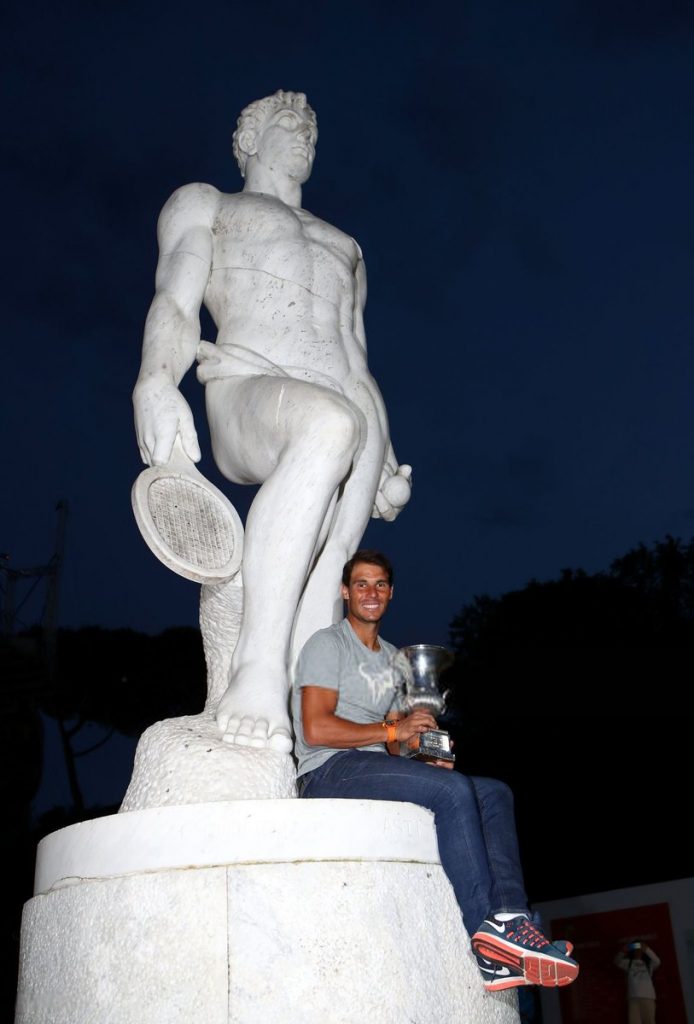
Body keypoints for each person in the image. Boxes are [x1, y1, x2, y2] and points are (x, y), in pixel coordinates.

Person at [132, 91, 412, 753]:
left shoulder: (347, 246)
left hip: (352, 405)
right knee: (328, 427)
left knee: (332, 559)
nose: (305, 134)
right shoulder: (207, 204)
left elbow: (355, 351)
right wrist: (155, 381)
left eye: (313, 128)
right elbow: (175, 300)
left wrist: (386, 456)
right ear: (248, 140)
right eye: (290, 122)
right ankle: (255, 667)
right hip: (250, 386)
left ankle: (309, 714)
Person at [292, 548, 580, 992]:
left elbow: (393, 748)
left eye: (380, 584)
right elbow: (316, 728)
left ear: (391, 593)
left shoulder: (394, 659)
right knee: (451, 791)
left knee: (493, 792)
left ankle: (511, 921)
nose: (371, 592)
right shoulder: (327, 644)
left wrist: (423, 752)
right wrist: (396, 729)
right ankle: (486, 932)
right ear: (346, 592)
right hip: (326, 769)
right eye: (362, 584)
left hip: (370, 763)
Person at [615, 941, 661, 1024]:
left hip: (648, 997)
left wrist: (646, 949)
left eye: (639, 948)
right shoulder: (628, 963)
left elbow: (657, 961)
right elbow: (617, 961)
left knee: (649, 1022)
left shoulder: (648, 964)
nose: (638, 950)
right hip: (633, 998)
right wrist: (623, 951)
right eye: (635, 948)